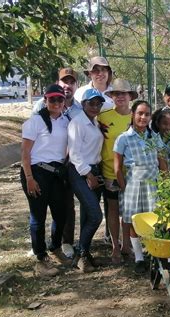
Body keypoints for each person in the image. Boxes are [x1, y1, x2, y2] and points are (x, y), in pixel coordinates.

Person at [21, 84, 72, 276]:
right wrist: (29, 178)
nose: (57, 103)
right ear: (45, 100)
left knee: (61, 213)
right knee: (38, 216)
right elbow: (25, 153)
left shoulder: (66, 121)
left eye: (60, 99)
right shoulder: (35, 122)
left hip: (56, 172)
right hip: (36, 171)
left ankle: (56, 246)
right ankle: (40, 258)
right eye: (53, 100)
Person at [32, 68, 83, 258]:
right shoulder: (40, 107)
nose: (67, 85)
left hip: (68, 165)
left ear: (76, 85)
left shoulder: (79, 109)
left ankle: (65, 242)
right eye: (64, 81)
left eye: (71, 82)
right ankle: (39, 246)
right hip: (43, 167)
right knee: (41, 207)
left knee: (66, 206)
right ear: (58, 83)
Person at [113, 101, 166, 275]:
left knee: (154, 219)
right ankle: (139, 258)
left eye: (147, 114)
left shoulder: (154, 137)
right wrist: (124, 187)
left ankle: (155, 254)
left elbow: (161, 160)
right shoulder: (123, 138)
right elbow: (117, 167)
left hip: (153, 183)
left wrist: (166, 182)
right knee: (135, 221)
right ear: (133, 114)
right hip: (134, 184)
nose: (143, 117)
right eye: (140, 113)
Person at [98, 79, 138, 264]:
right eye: (116, 94)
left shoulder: (137, 117)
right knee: (113, 209)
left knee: (129, 211)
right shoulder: (103, 117)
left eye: (124, 93)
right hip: (110, 172)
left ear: (130, 96)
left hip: (132, 173)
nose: (120, 97)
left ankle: (127, 246)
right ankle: (115, 246)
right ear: (111, 97)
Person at [68, 88, 105, 272]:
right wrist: (88, 174)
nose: (95, 106)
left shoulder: (95, 123)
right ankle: (81, 253)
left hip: (95, 170)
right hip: (80, 172)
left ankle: (84, 254)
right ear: (83, 104)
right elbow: (74, 154)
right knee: (96, 215)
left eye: (99, 103)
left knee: (87, 216)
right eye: (91, 103)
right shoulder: (77, 123)